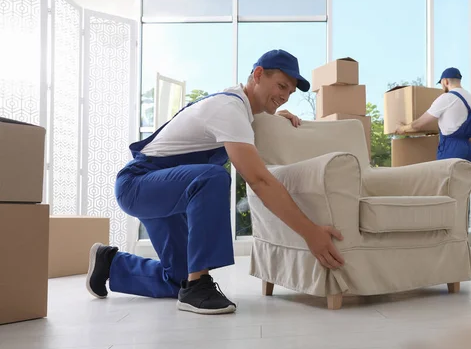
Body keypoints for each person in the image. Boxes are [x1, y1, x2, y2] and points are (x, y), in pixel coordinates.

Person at [85, 49, 345, 315]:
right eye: (280, 86)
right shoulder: (229, 108)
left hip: (170, 189)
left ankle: (111, 263)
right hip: (140, 184)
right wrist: (310, 232)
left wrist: (275, 117)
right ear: (257, 75)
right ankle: (198, 287)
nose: (283, 95)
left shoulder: (240, 110)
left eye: (289, 92)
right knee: (214, 177)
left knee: (178, 278)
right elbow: (258, 180)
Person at [395, 67, 471, 162]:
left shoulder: (447, 98)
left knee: (447, 176)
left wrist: (402, 129)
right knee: (464, 176)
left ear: (445, 81)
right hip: (467, 148)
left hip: (451, 149)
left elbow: (418, 125)